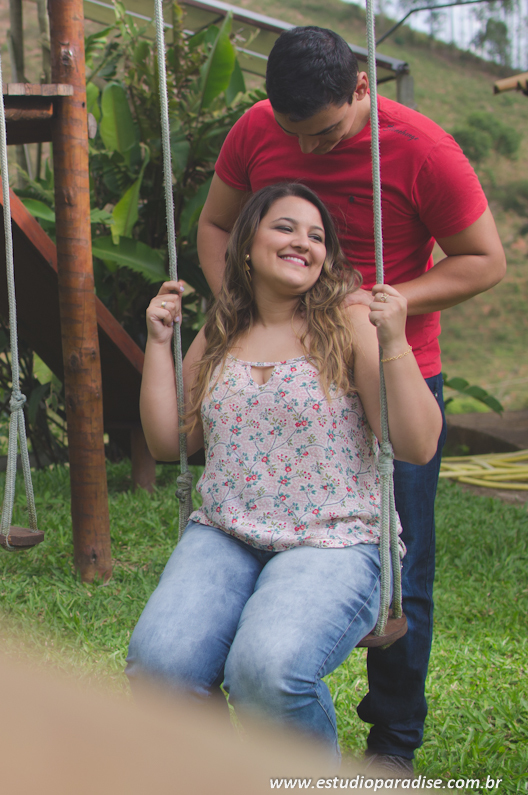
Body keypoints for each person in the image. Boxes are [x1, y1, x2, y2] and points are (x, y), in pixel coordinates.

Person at [196, 26, 506, 773]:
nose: (306, 152)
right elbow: (214, 225)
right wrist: (237, 304)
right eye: (291, 134)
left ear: (364, 88)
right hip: (279, 365)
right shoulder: (255, 130)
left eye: (326, 133)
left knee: (405, 568)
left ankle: (393, 745)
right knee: (254, 524)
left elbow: (483, 261)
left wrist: (380, 305)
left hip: (385, 364)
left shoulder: (424, 150)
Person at [126, 183, 442, 762]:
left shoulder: (348, 323)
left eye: (316, 236)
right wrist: (156, 344)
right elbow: (172, 441)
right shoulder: (222, 328)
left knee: (267, 671)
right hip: (228, 533)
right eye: (286, 227)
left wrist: (393, 336)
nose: (303, 242)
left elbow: (418, 444)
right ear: (246, 245)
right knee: (160, 668)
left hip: (335, 538)